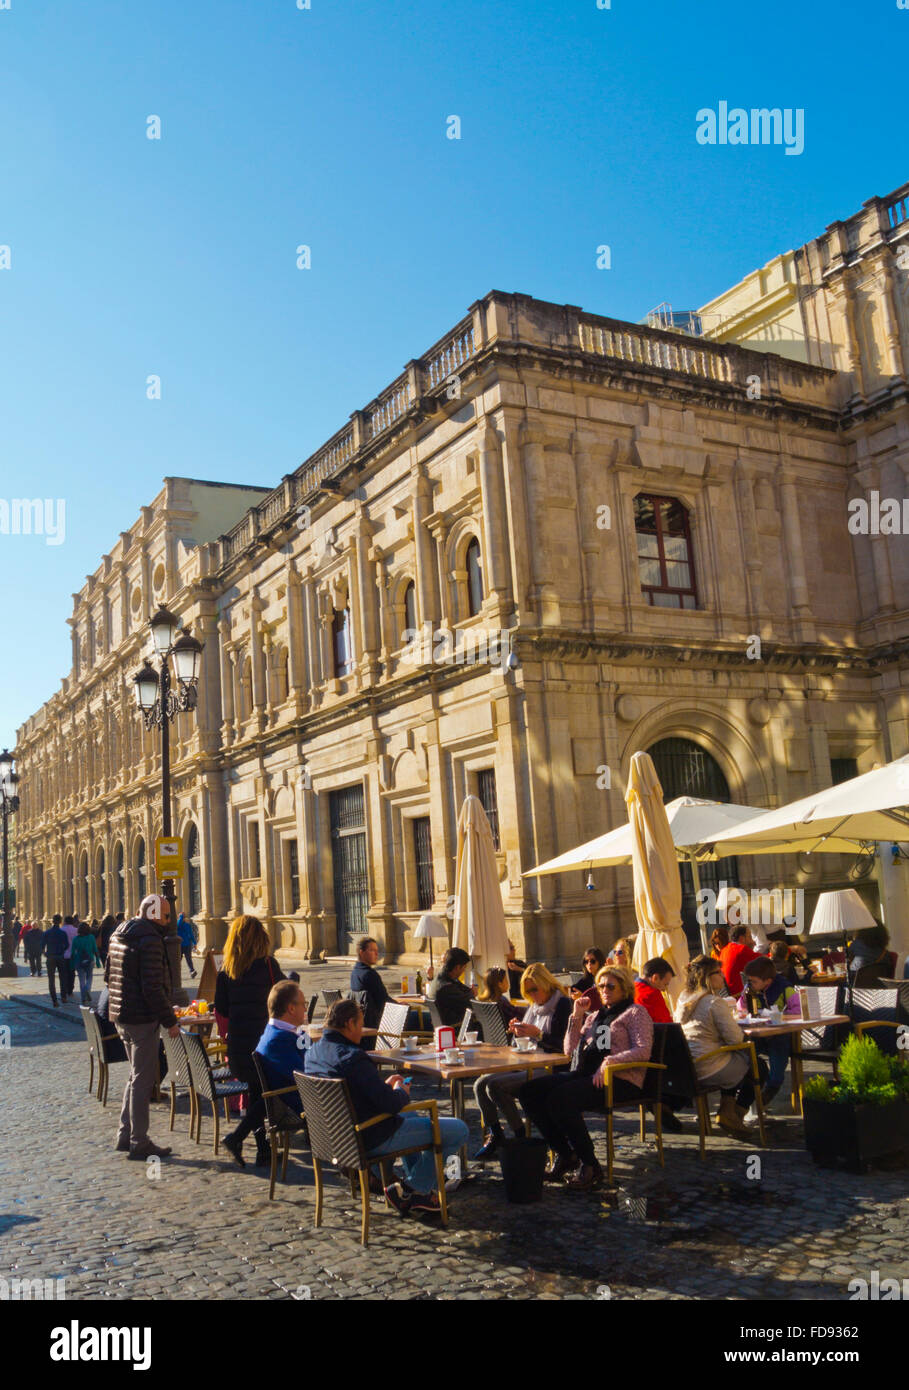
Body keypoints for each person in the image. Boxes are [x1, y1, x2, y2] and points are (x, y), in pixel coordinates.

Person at [305, 998, 468, 1217]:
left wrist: (383, 1087)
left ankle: (419, 1192)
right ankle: (412, 1190)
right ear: (350, 1024)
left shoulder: (313, 1054)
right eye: (361, 1025)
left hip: (337, 1138)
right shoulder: (353, 1058)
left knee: (411, 1115)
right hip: (372, 1136)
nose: (362, 1032)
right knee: (458, 1129)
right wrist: (401, 1090)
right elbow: (391, 1105)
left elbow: (354, 1092)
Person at [520, 964, 653, 1191]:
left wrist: (610, 1062)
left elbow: (643, 1050)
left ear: (624, 988)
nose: (604, 990)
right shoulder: (596, 1017)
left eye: (610, 986)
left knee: (561, 1098)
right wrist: (577, 1016)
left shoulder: (634, 1013)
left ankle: (590, 1165)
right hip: (588, 1075)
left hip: (620, 1079)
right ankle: (565, 1154)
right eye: (600, 985)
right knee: (529, 1091)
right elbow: (568, 1050)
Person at [105, 893, 180, 1160]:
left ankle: (125, 1135)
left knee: (135, 1076)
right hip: (142, 1018)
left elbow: (107, 977)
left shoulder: (118, 934)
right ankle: (139, 1141)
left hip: (121, 1015)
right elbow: (152, 987)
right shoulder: (150, 940)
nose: (169, 921)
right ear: (153, 914)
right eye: (167, 915)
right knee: (143, 1080)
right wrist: (169, 1020)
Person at [473, 963, 571, 1161]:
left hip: (552, 1066)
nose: (532, 995)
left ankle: (520, 1138)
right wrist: (517, 1032)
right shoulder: (534, 1007)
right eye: (528, 991)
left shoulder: (562, 1005)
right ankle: (497, 1134)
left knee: (495, 1086)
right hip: (528, 1062)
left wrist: (539, 1034)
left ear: (546, 984)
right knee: (479, 1084)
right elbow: (523, 1043)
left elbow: (564, 1047)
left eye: (535, 989)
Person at [214, 914, 285, 1167]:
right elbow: (284, 995)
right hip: (265, 1045)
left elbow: (221, 1008)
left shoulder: (225, 972)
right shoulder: (268, 966)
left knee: (258, 1092)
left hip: (239, 1049)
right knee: (271, 1092)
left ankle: (263, 1150)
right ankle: (238, 1137)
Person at [674, 955, 766, 1136]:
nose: (723, 976)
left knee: (735, 1059)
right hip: (709, 1067)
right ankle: (734, 1114)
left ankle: (728, 1111)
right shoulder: (713, 1002)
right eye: (718, 972)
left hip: (689, 1066)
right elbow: (736, 1039)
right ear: (707, 976)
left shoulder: (683, 999)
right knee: (758, 1066)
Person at [223, 979, 308, 1168]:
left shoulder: (275, 1031)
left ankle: (236, 1137)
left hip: (286, 1095)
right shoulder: (280, 1039)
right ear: (291, 1009)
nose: (305, 1009)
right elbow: (307, 1074)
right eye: (303, 1004)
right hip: (301, 1104)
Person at [737, 957, 797, 1108]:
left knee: (779, 1053)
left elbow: (798, 1010)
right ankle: (745, 1083)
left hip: (779, 1034)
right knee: (745, 1050)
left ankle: (772, 1086)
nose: (750, 984)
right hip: (759, 1033)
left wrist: (782, 1016)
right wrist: (744, 999)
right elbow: (740, 1008)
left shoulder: (784, 988)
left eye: (754, 981)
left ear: (768, 981)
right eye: (749, 980)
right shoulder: (751, 989)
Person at [425, 947, 475, 1027]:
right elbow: (471, 1004)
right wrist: (472, 993)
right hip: (455, 1030)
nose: (464, 970)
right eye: (464, 967)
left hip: (444, 1029)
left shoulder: (439, 980)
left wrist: (470, 992)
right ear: (457, 967)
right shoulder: (446, 988)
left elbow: (463, 989)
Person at [349, 936, 391, 1030]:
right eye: (372, 950)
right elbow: (384, 1002)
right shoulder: (370, 975)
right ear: (361, 952)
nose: (376, 954)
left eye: (377, 950)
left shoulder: (355, 973)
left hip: (362, 1022)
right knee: (421, 1017)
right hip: (380, 1023)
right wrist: (402, 1005)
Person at [719, 924, 761, 995]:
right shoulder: (741, 950)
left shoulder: (724, 950)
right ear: (742, 938)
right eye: (750, 937)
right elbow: (764, 960)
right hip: (740, 996)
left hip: (728, 995)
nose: (752, 941)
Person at [634, 958, 674, 1024]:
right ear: (655, 978)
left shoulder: (630, 989)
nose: (664, 990)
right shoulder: (652, 994)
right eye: (665, 984)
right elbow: (667, 1025)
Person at [71, 922, 102, 1005]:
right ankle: (87, 990)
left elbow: (73, 953)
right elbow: (95, 949)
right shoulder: (91, 937)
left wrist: (71, 964)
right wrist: (98, 961)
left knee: (81, 979)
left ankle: (83, 998)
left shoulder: (75, 939)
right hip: (89, 960)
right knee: (89, 977)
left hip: (79, 960)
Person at [42, 915, 70, 1007]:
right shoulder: (62, 933)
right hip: (60, 957)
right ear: (60, 921)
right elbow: (66, 945)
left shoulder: (47, 933)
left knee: (51, 979)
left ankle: (54, 1000)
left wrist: (45, 953)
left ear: (52, 921)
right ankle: (63, 997)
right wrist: (61, 951)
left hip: (50, 957)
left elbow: (42, 945)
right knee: (63, 977)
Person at [61, 915, 79, 1002]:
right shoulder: (76, 930)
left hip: (63, 955)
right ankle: (70, 990)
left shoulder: (61, 930)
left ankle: (64, 989)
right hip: (73, 955)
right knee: (72, 972)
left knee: (64, 973)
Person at [176, 913, 198, 978]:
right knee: (186, 959)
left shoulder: (181, 925)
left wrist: (194, 943)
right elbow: (191, 935)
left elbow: (191, 934)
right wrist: (194, 943)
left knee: (182, 959)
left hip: (183, 945)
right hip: (184, 945)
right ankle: (191, 971)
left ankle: (191, 971)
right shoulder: (180, 925)